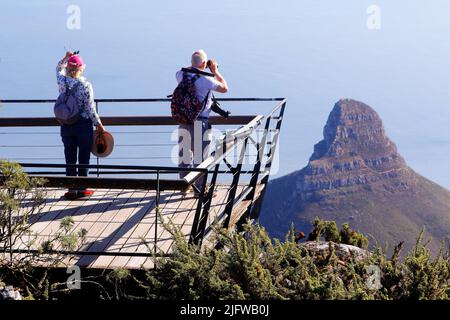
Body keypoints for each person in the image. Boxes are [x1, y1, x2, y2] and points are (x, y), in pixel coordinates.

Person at [176, 50, 229, 194]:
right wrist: (215, 70)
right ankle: (199, 189)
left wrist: (198, 65)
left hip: (184, 119)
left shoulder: (181, 75)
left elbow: (188, 68)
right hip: (200, 122)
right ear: (204, 64)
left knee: (184, 156)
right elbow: (225, 88)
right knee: (201, 158)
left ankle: (184, 187)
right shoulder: (207, 80)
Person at [56, 51, 106, 200]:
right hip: (83, 126)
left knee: (69, 158)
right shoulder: (85, 85)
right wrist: (99, 124)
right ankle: (82, 189)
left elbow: (58, 68)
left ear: (68, 68)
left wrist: (65, 57)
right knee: (84, 158)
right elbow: (90, 108)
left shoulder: (61, 81)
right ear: (81, 69)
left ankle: (71, 190)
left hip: (66, 125)